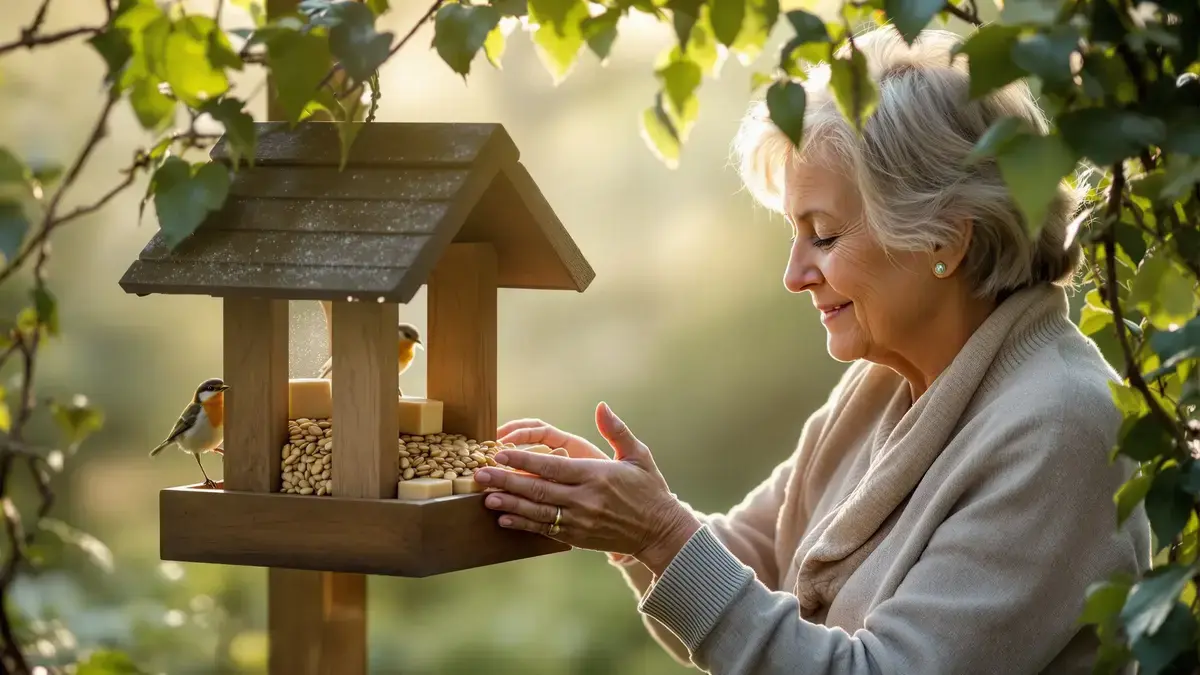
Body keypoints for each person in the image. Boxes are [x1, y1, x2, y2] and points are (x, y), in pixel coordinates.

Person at [469, 25, 1151, 674]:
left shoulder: (1058, 429)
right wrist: (624, 515)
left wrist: (658, 531)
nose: (793, 275)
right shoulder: (885, 381)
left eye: (822, 235)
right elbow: (748, 566)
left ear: (945, 238)